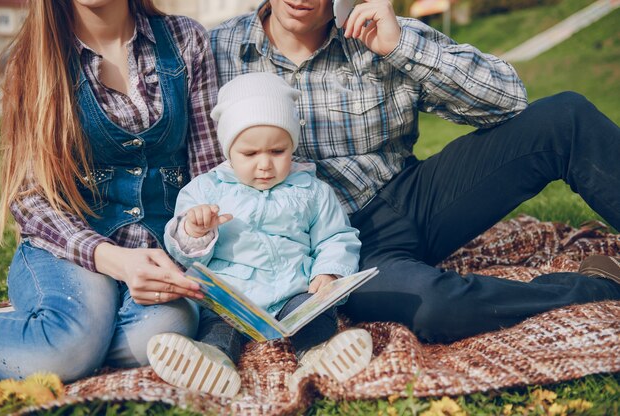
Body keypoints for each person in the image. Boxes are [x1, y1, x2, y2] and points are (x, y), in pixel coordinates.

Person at [210, 0, 620, 344]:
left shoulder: (377, 29)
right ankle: (598, 289)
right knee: (436, 307)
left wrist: (400, 46)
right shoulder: (218, 50)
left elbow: (509, 100)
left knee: (564, 118)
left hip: (412, 197)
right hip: (332, 248)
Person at [0, 0, 224, 382]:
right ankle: (70, 338)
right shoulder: (33, 59)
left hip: (154, 248)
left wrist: (191, 242)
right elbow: (30, 199)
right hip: (68, 249)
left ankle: (61, 330)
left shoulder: (186, 40)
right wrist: (114, 260)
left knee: (166, 327)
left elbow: (208, 177)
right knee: (70, 350)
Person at [147, 72, 372, 398]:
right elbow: (182, 253)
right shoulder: (206, 190)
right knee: (216, 328)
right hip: (233, 301)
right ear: (228, 150)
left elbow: (336, 236)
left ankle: (321, 356)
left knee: (315, 314)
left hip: (292, 293)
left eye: (278, 151)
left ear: (292, 146)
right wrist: (193, 230)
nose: (265, 165)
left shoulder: (312, 190)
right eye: (250, 155)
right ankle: (213, 362)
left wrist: (330, 271)